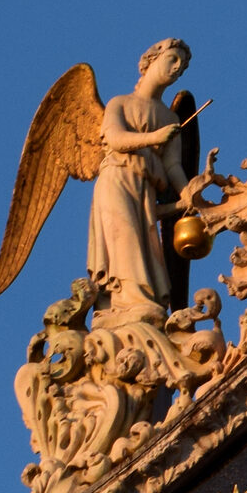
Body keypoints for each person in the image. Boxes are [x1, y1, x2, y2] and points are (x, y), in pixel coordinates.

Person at [86, 39, 193, 321]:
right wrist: (154, 138)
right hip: (116, 179)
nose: (177, 68)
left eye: (182, 66)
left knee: (147, 247)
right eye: (172, 59)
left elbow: (172, 167)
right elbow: (115, 138)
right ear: (150, 61)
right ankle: (124, 303)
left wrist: (190, 193)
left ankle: (143, 300)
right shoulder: (119, 103)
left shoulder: (170, 117)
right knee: (124, 238)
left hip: (146, 189)